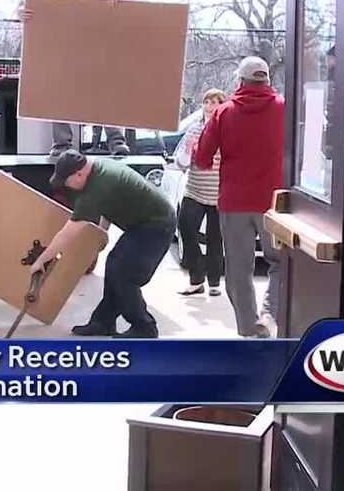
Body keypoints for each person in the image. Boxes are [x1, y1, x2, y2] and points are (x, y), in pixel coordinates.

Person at [19, 0, 136, 157]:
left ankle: (116, 141)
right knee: (60, 90)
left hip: (98, 43)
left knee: (104, 89)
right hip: (63, 45)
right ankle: (62, 145)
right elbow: (32, 1)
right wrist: (21, 10)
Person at [34, 150, 175, 339]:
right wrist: (101, 233)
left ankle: (144, 327)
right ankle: (103, 322)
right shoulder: (97, 171)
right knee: (114, 265)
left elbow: (66, 235)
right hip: (142, 224)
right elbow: (109, 204)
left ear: (79, 174)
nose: (67, 186)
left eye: (66, 181)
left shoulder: (97, 186)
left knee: (124, 274)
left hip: (157, 225)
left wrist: (41, 261)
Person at [193, 57, 285, 338]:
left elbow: (202, 158)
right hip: (275, 204)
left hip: (234, 203)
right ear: (266, 79)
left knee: (238, 270)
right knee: (281, 264)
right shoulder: (284, 108)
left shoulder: (224, 112)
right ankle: (270, 314)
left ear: (240, 81)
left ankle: (248, 328)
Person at [173, 88, 227, 297]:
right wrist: (188, 150)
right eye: (207, 102)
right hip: (195, 189)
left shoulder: (227, 130)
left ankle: (214, 282)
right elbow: (181, 163)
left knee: (215, 238)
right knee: (185, 227)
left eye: (215, 102)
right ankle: (196, 278)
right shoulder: (194, 129)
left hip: (218, 192)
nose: (210, 106)